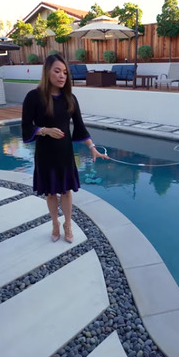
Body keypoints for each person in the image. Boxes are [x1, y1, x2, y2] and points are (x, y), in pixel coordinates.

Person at [21, 54, 108, 243]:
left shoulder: (70, 98)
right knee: (51, 192)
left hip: (65, 154)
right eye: (57, 71)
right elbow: (26, 127)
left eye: (65, 72)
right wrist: (44, 130)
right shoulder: (34, 97)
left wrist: (92, 147)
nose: (62, 76)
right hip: (45, 154)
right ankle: (55, 223)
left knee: (66, 191)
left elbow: (80, 126)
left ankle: (68, 224)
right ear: (47, 72)